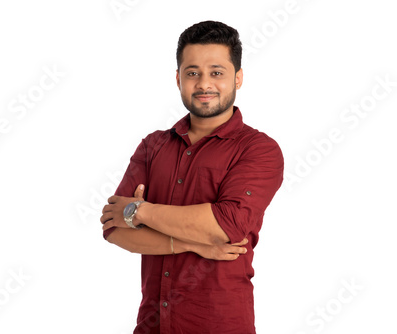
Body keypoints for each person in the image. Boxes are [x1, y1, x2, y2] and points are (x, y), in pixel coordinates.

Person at [100, 20, 284, 334]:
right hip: (151, 324)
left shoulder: (258, 150)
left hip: (219, 324)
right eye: (192, 72)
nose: (203, 84)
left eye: (217, 72)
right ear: (178, 78)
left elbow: (227, 226)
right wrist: (193, 244)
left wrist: (138, 211)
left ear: (238, 78)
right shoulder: (153, 145)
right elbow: (114, 229)